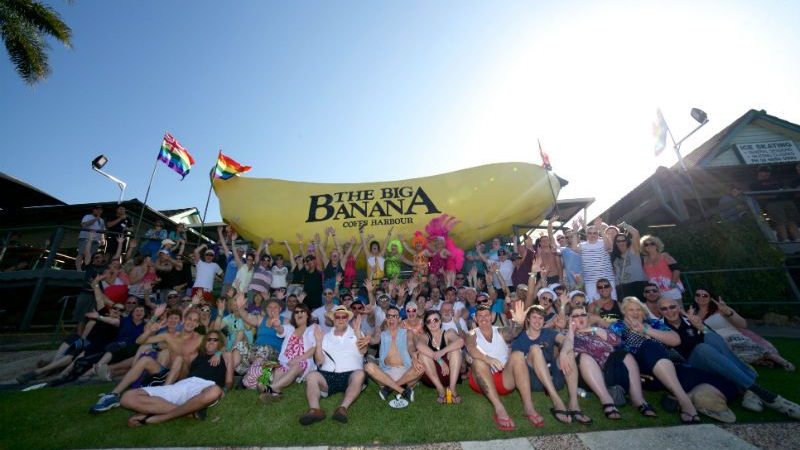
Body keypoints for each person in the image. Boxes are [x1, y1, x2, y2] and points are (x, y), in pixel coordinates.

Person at [657, 296, 800, 420]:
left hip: (714, 356)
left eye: (672, 306)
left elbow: (716, 340)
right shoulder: (661, 327)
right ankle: (765, 394)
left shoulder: (690, 320)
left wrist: (700, 326)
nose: (669, 311)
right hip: (693, 360)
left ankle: (750, 389)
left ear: (678, 306)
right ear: (659, 312)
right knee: (702, 348)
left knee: (712, 338)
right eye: (664, 309)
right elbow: (676, 349)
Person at [608, 297, 723, 424]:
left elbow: (675, 340)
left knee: (724, 384)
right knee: (650, 345)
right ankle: (685, 402)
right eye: (631, 310)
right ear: (624, 312)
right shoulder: (618, 326)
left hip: (668, 368)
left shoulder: (654, 323)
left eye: (638, 309)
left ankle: (678, 397)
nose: (635, 313)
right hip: (643, 372)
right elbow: (613, 347)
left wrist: (646, 330)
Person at [90, 308, 203, 413]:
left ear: (197, 324)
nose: (191, 322)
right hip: (166, 373)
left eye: (195, 321)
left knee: (178, 359)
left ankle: (162, 395)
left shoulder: (200, 339)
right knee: (145, 359)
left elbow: (220, 343)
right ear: (184, 320)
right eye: (189, 319)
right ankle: (113, 394)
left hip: (183, 376)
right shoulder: (169, 336)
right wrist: (150, 331)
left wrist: (217, 354)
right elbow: (139, 341)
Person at [562, 303, 656, 420]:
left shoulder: (599, 330)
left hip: (611, 371)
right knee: (585, 357)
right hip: (587, 375)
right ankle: (607, 401)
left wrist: (594, 329)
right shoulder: (567, 335)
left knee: (624, 355)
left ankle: (638, 400)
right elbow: (567, 347)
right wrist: (571, 330)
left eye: (583, 314)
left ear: (588, 317)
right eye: (575, 316)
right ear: (570, 319)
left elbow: (616, 341)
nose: (580, 317)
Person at [120, 330, 232, 427]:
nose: (211, 342)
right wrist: (155, 346)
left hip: (206, 386)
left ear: (220, 342)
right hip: (184, 384)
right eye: (208, 339)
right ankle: (188, 413)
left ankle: (160, 417)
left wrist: (225, 389)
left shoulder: (226, 355)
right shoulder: (195, 355)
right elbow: (177, 350)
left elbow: (229, 381)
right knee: (127, 398)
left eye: (215, 340)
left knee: (215, 391)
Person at [465, 301, 544, 431]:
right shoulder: (471, 334)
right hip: (481, 380)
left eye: (486, 315)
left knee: (518, 355)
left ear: (491, 317)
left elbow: (513, 333)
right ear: (475, 318)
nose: (484, 318)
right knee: (478, 362)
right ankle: (499, 408)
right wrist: (487, 358)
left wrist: (519, 323)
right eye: (480, 316)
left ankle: (529, 407)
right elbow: (471, 348)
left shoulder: (500, 331)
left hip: (503, 380)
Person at [512, 305, 591, 424]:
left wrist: (563, 352)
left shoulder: (548, 332)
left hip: (555, 379)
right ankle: (557, 402)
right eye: (534, 317)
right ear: (528, 319)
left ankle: (574, 404)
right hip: (534, 381)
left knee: (568, 351)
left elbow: (567, 341)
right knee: (535, 349)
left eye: (541, 318)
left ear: (544, 320)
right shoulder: (520, 337)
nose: (537, 321)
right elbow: (517, 366)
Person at [298, 306, 369, 425]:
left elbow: (363, 351)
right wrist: (319, 343)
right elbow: (319, 361)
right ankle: (315, 410)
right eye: (338, 317)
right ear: (333, 319)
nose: (341, 319)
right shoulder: (325, 337)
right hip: (329, 375)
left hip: (351, 375)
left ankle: (342, 408)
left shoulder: (356, 332)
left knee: (360, 374)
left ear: (347, 319)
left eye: (344, 316)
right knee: (311, 376)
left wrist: (357, 333)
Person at [693, 287, 794, 370]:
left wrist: (728, 312)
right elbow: (702, 331)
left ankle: (781, 361)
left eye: (705, 295)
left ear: (711, 298)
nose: (701, 297)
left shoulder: (721, 309)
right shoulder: (692, 314)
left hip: (732, 336)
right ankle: (760, 361)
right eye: (698, 295)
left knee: (745, 347)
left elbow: (743, 324)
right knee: (726, 356)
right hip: (716, 340)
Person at [364, 305, 423, 407]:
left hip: (405, 371)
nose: (391, 319)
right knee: (368, 366)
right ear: (386, 318)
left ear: (399, 319)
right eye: (389, 316)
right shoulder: (382, 334)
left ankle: (389, 388)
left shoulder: (407, 332)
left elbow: (410, 345)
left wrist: (413, 355)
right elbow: (375, 340)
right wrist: (369, 339)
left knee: (422, 367)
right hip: (387, 372)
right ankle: (403, 390)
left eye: (394, 316)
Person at [260, 303, 317, 401]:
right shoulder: (290, 328)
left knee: (297, 365)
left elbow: (313, 348)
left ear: (307, 314)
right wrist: (277, 326)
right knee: (275, 370)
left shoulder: (312, 329)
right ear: (293, 316)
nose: (299, 313)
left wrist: (298, 358)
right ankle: (274, 393)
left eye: (302, 311)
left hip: (303, 362)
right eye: (296, 312)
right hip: (285, 362)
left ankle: (272, 388)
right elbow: (281, 331)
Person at [415, 309, 464, 404]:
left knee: (455, 351)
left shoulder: (448, 333)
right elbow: (419, 346)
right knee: (422, 355)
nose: (432, 323)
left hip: (450, 374)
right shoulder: (424, 336)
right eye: (429, 321)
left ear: (440, 321)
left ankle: (452, 388)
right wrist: (440, 361)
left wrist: (442, 352)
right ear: (426, 324)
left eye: (435, 320)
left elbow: (461, 341)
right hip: (432, 377)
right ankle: (441, 390)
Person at [569, 218, 615, 302]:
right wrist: (575, 231)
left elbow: (608, 246)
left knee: (612, 302)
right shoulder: (582, 245)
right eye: (589, 233)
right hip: (591, 281)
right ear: (586, 235)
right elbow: (574, 248)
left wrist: (601, 229)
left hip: (607, 279)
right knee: (594, 305)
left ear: (598, 234)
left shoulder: (603, 242)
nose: (592, 235)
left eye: (595, 233)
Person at [750, 165, 800, 241]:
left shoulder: (777, 180)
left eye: (768, 171)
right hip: (772, 203)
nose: (766, 173)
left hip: (786, 201)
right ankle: (785, 240)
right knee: (780, 222)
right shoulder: (754, 184)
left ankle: (797, 239)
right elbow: (756, 196)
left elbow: (786, 188)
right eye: (764, 171)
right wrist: (773, 196)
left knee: (792, 221)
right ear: (759, 172)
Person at [640, 235, 684, 304]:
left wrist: (673, 284)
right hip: (655, 292)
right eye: (646, 244)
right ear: (643, 247)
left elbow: (676, 269)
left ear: (657, 245)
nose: (649, 245)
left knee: (678, 310)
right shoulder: (643, 260)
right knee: (661, 312)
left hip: (671, 289)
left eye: (652, 243)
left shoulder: (664, 255)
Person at [610, 223, 649, 300]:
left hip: (638, 283)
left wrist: (624, 225)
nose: (621, 242)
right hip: (622, 286)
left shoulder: (633, 250)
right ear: (615, 243)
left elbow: (635, 233)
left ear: (627, 241)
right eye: (618, 241)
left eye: (623, 240)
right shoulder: (615, 257)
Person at [76, 205, 106, 270]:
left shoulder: (102, 220)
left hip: (96, 240)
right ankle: (78, 269)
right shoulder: (87, 216)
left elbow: (102, 230)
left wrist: (103, 239)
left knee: (91, 255)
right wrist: (95, 219)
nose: (98, 211)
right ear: (93, 210)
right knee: (81, 253)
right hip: (85, 238)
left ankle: (85, 269)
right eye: (97, 209)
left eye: (100, 210)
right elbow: (84, 225)